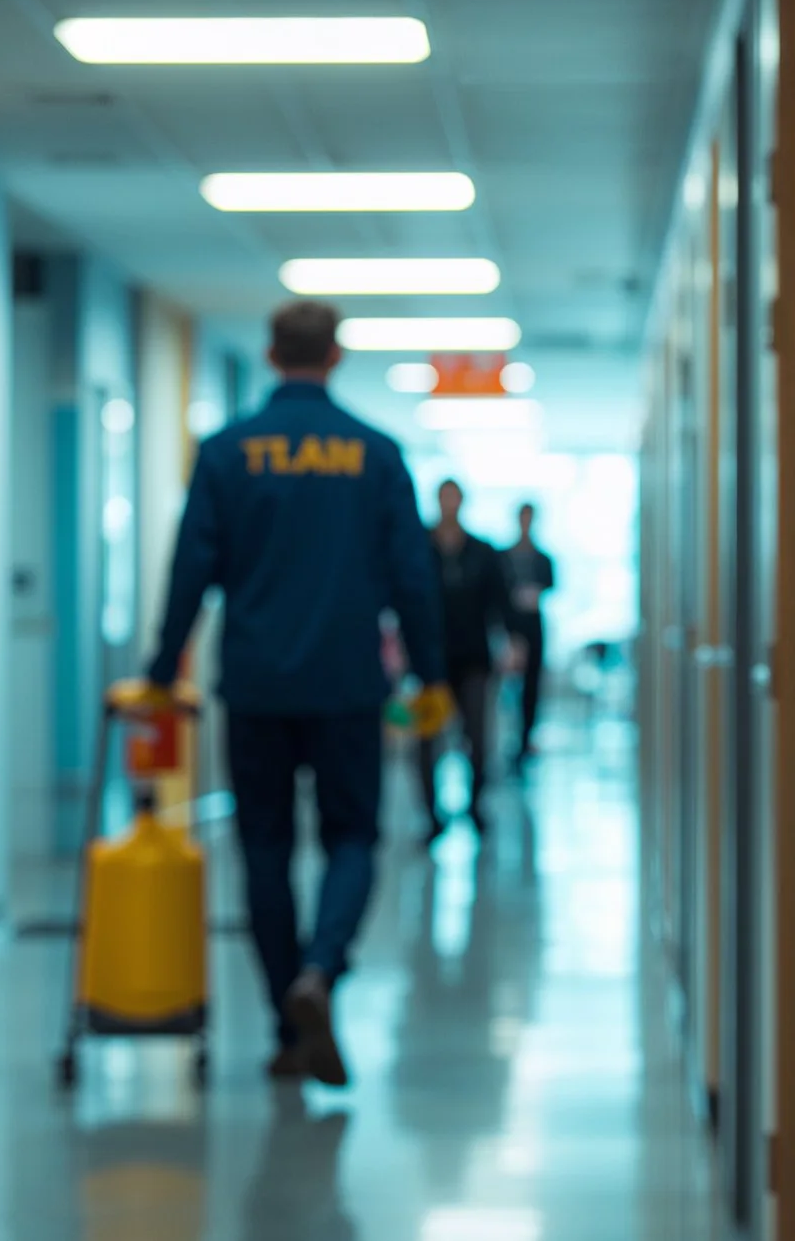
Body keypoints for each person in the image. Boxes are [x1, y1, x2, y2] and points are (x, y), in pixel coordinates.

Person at [142, 300, 453, 1087]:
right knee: (352, 838)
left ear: (273, 353)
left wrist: (161, 665)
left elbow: (191, 570)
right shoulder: (376, 455)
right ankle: (321, 970)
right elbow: (413, 581)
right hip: (348, 683)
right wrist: (433, 672)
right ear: (336, 356)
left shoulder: (226, 453)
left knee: (266, 850)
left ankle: (288, 1022)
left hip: (254, 683)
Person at [419, 479, 512, 841]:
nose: (449, 505)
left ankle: (475, 806)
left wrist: (510, 642)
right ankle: (431, 814)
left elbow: (499, 602)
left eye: (454, 498)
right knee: (428, 739)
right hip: (429, 661)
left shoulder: (482, 551)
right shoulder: (419, 547)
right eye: (444, 498)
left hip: (473, 657)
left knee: (477, 736)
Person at [503, 503, 557, 767]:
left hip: (534, 627)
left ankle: (526, 738)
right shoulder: (504, 557)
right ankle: (509, 739)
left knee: (532, 686)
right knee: (509, 688)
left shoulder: (543, 558)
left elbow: (551, 586)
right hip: (511, 628)